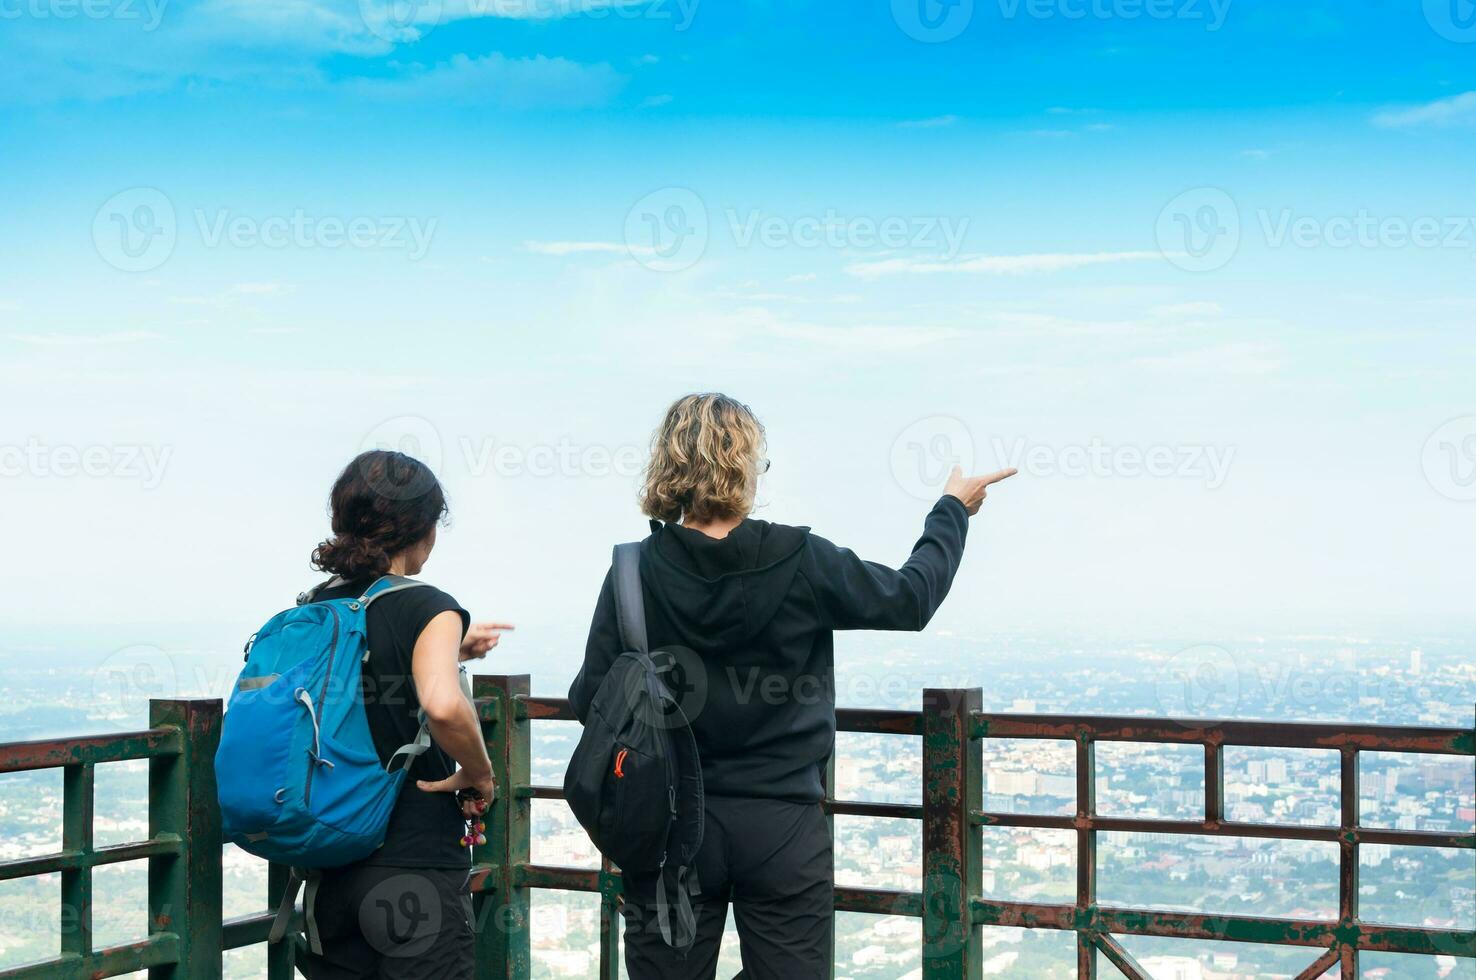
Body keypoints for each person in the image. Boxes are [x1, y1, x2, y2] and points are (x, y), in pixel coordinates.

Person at [568, 393, 1016, 980]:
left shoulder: (634, 570)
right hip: (784, 825)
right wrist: (952, 509)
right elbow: (911, 598)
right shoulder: (802, 558)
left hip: (667, 827)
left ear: (669, 466)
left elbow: (591, 700)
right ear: (746, 466)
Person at [296, 449, 511, 980]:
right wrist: (480, 773)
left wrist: (452, 651)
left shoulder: (314, 607)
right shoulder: (427, 604)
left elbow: (359, 686)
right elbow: (440, 704)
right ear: (420, 528)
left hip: (327, 871)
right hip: (413, 872)